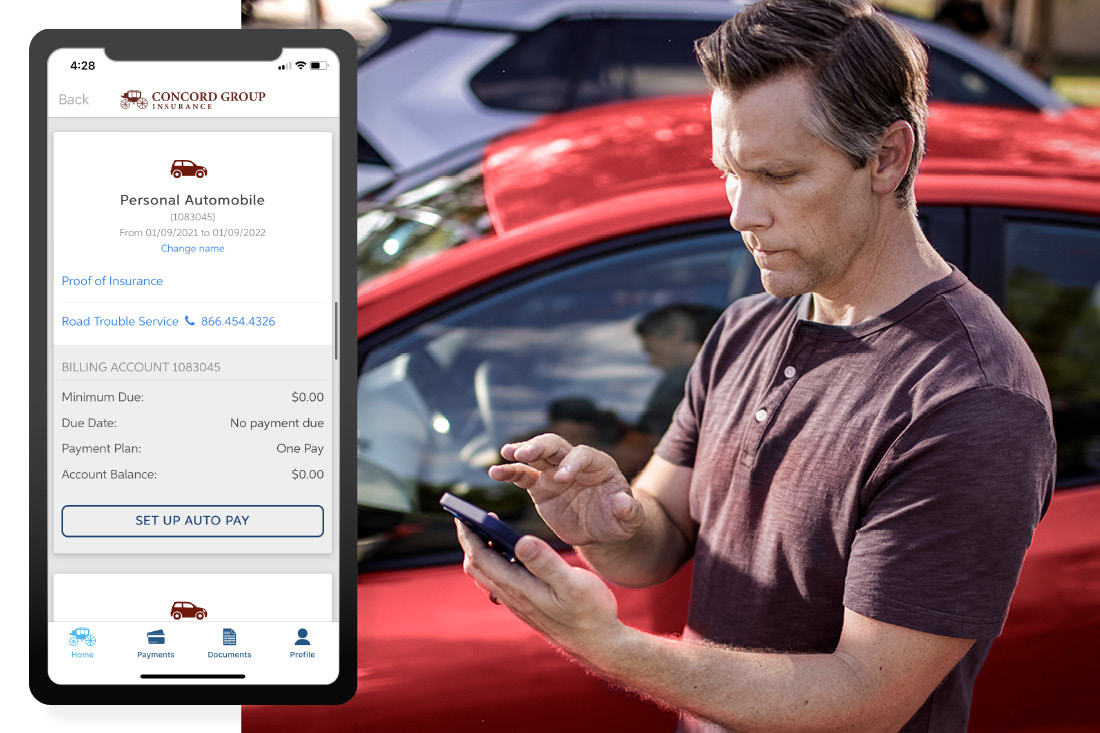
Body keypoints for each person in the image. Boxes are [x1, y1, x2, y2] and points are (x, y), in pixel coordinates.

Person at [454, 1, 1055, 730]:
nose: (741, 212)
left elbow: (866, 699)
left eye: (776, 174)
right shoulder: (746, 327)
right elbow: (660, 538)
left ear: (888, 158)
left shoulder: (970, 400)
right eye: (729, 172)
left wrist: (608, 645)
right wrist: (605, 523)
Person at [634, 304, 724, 439]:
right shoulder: (727, 379)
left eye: (650, 350)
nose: (651, 362)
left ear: (677, 332)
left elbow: (649, 444)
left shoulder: (682, 381)